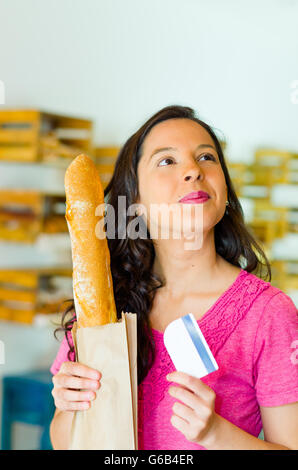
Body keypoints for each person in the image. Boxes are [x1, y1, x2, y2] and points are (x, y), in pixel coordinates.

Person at [49, 105, 298, 450]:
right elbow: (65, 442)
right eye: (167, 161)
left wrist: (215, 434)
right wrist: (68, 408)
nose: (193, 171)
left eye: (207, 157)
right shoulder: (103, 308)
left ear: (224, 190)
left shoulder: (269, 314)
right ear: (135, 201)